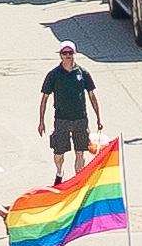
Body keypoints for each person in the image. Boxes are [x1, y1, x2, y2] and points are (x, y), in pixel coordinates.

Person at [37, 44, 101, 180]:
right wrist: (41, 121)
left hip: (80, 119)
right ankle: (59, 173)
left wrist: (99, 118)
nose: (67, 55)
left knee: (80, 151)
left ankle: (79, 178)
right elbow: (44, 98)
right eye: (65, 53)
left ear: (74, 53)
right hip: (61, 119)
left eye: (70, 52)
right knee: (59, 151)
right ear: (60, 55)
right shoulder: (54, 75)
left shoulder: (82, 73)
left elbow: (92, 95)